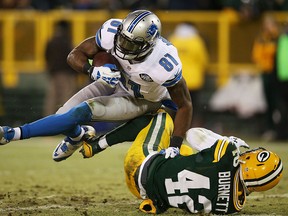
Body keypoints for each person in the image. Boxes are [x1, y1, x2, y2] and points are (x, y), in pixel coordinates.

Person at [0, 10, 192, 162]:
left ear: (148, 46)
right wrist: (91, 71)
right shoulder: (112, 31)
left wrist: (175, 144)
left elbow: (185, 105)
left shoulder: (164, 63)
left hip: (140, 99)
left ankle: (11, 134)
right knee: (62, 117)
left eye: (131, 44)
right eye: (122, 38)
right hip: (113, 80)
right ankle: (77, 136)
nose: (123, 46)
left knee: (79, 113)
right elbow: (74, 55)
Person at [81, 109, 282, 214]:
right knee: (185, 153)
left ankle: (97, 144)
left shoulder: (228, 154)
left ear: (252, 164)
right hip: (148, 194)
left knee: (161, 118)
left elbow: (193, 134)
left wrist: (226, 141)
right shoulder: (233, 206)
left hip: (140, 165)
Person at [169, 22, 209, 127]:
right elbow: (204, 61)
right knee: (190, 108)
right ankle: (188, 130)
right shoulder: (197, 41)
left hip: (176, 79)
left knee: (174, 107)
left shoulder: (173, 40)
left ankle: (171, 130)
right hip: (194, 80)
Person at [252, 14, 279, 141]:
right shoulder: (262, 39)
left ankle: (279, 129)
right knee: (269, 103)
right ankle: (271, 129)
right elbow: (257, 56)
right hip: (266, 73)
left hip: (278, 74)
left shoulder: (278, 38)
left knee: (278, 102)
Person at [44, 20, 78, 116]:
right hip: (66, 74)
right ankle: (65, 119)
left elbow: (46, 57)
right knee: (66, 98)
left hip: (53, 73)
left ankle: (47, 122)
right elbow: (72, 58)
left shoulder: (51, 41)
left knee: (52, 99)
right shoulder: (67, 41)